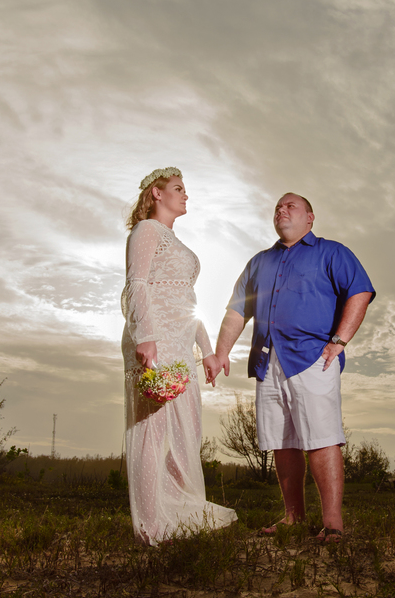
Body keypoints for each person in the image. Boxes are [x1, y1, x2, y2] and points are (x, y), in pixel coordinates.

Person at [209, 193, 374, 543]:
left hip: (313, 359)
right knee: (282, 443)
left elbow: (359, 292)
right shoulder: (259, 262)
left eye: (290, 206)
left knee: (323, 438)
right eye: (277, 208)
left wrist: (339, 341)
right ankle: (293, 517)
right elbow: (237, 311)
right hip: (268, 362)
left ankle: (333, 524)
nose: (281, 211)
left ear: (310, 218)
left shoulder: (332, 253)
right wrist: (221, 352)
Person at [121, 167, 237, 545]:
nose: (186, 196)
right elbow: (137, 283)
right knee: (152, 430)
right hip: (155, 340)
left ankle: (180, 510)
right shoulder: (146, 231)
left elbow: (188, 303)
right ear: (156, 193)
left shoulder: (173, 239)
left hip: (180, 343)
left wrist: (206, 350)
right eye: (178, 189)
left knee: (187, 429)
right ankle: (151, 525)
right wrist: (146, 335)